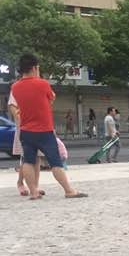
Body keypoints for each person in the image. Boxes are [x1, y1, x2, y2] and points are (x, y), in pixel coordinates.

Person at [10, 54, 86, 199]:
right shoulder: (42, 84)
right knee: (55, 161)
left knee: (28, 161)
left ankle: (33, 192)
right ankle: (68, 190)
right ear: (34, 68)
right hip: (44, 130)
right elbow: (51, 98)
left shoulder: (15, 87)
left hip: (25, 130)